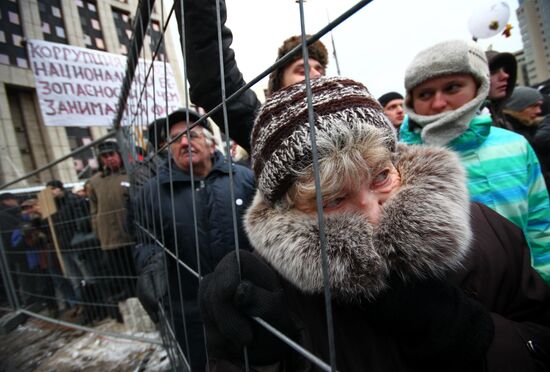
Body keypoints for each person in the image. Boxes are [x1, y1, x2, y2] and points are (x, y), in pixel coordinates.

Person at [198, 77, 550, 371]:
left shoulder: (483, 229)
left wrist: (475, 336)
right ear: (290, 211)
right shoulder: (276, 291)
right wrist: (257, 362)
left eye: (381, 176)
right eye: (333, 199)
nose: (373, 215)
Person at [399, 39, 550, 283]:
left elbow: (540, 224)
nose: (438, 103)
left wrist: (544, 282)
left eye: (452, 88)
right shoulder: (398, 161)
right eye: (425, 93)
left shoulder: (516, 145)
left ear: (478, 86)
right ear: (412, 100)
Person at [135, 108, 256, 371]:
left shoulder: (244, 179)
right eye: (175, 138)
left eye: (192, 135)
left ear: (212, 144)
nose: (184, 143)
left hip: (246, 305)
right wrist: (151, 266)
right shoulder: (151, 194)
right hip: (190, 315)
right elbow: (145, 240)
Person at [178, 0, 328, 153]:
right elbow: (214, 81)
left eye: (320, 70)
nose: (316, 75)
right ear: (280, 89)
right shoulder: (271, 131)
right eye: (302, 71)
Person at [86, 139, 135, 315]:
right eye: (104, 156)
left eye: (111, 155)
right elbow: (93, 208)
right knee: (120, 276)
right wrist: (97, 228)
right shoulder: (94, 182)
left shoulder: (131, 174)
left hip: (131, 238)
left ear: (119, 155)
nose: (109, 159)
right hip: (110, 240)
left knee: (137, 275)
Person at [46, 179, 99, 321]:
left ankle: (97, 306)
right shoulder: (51, 208)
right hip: (63, 248)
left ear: (59, 189)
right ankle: (85, 308)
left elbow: (82, 221)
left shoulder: (72, 201)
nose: (51, 193)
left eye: (53, 189)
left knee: (87, 276)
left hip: (75, 245)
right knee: (75, 280)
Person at [484, 50, 517, 128]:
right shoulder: (472, 129)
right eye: (493, 72)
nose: (505, 76)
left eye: (505, 70)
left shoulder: (504, 123)